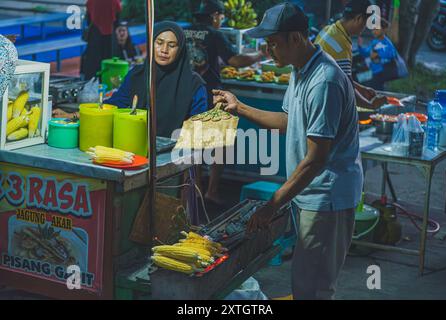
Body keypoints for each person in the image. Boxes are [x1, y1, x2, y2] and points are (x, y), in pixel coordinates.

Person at [213, 3, 363, 300]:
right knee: (305, 281)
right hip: (310, 193)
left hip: (326, 198)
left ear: (296, 38)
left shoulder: (324, 81)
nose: (268, 51)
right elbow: (288, 121)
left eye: (272, 44)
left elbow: (316, 160)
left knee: (313, 288)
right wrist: (239, 107)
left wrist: (273, 203)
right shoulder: (300, 69)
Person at [54, 22, 208, 138]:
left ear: (180, 49)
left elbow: (198, 127)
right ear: (151, 43)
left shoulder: (194, 84)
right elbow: (111, 106)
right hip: (135, 150)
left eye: (171, 45)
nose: (164, 50)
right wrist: (71, 116)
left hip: (176, 160)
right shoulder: (138, 75)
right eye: (159, 43)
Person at [184, 0, 265, 205]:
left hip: (188, 92)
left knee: (194, 144)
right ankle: (211, 191)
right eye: (221, 17)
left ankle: (197, 191)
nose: (221, 21)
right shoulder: (214, 33)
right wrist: (260, 55)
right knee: (220, 143)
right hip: (211, 92)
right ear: (214, 16)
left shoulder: (185, 31)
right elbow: (235, 60)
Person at [315, 0, 388, 110]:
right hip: (324, 102)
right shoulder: (340, 44)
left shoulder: (330, 30)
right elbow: (345, 87)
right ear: (358, 18)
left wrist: (361, 89)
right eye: (364, 24)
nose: (364, 29)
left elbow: (342, 77)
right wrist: (371, 105)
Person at [81, 0, 122, 80]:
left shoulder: (91, 1)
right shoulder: (114, 1)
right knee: (109, 62)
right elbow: (117, 18)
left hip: (95, 35)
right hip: (110, 35)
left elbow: (89, 19)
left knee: (93, 64)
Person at [358, 17, 398, 90]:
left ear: (384, 30)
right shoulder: (374, 42)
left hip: (380, 73)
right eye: (373, 29)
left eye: (376, 29)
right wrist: (360, 46)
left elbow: (392, 54)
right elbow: (366, 53)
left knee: (375, 90)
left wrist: (378, 55)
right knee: (358, 80)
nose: (374, 31)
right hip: (372, 72)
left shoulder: (387, 43)